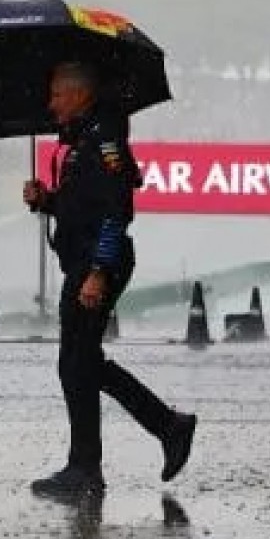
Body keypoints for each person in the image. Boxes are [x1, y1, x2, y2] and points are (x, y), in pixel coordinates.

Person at [22, 60, 196, 499]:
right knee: (78, 363)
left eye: (57, 95)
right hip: (83, 262)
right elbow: (82, 207)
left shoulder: (104, 141)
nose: (51, 104)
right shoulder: (83, 139)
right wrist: (46, 200)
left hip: (98, 265)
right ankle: (162, 428)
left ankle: (89, 467)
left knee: (78, 363)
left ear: (80, 94)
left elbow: (117, 211)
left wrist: (99, 272)